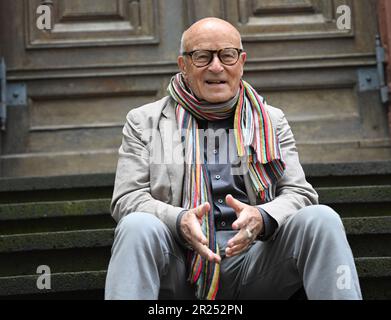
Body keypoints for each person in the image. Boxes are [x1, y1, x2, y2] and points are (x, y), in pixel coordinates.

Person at [105, 17, 362, 300]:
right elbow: (127, 199)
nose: (216, 67)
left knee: (321, 218)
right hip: (178, 264)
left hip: (256, 263)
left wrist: (263, 217)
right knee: (136, 226)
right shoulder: (144, 121)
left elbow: (299, 193)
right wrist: (178, 220)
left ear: (241, 61)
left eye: (227, 55)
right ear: (183, 65)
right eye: (202, 56)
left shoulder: (271, 120)